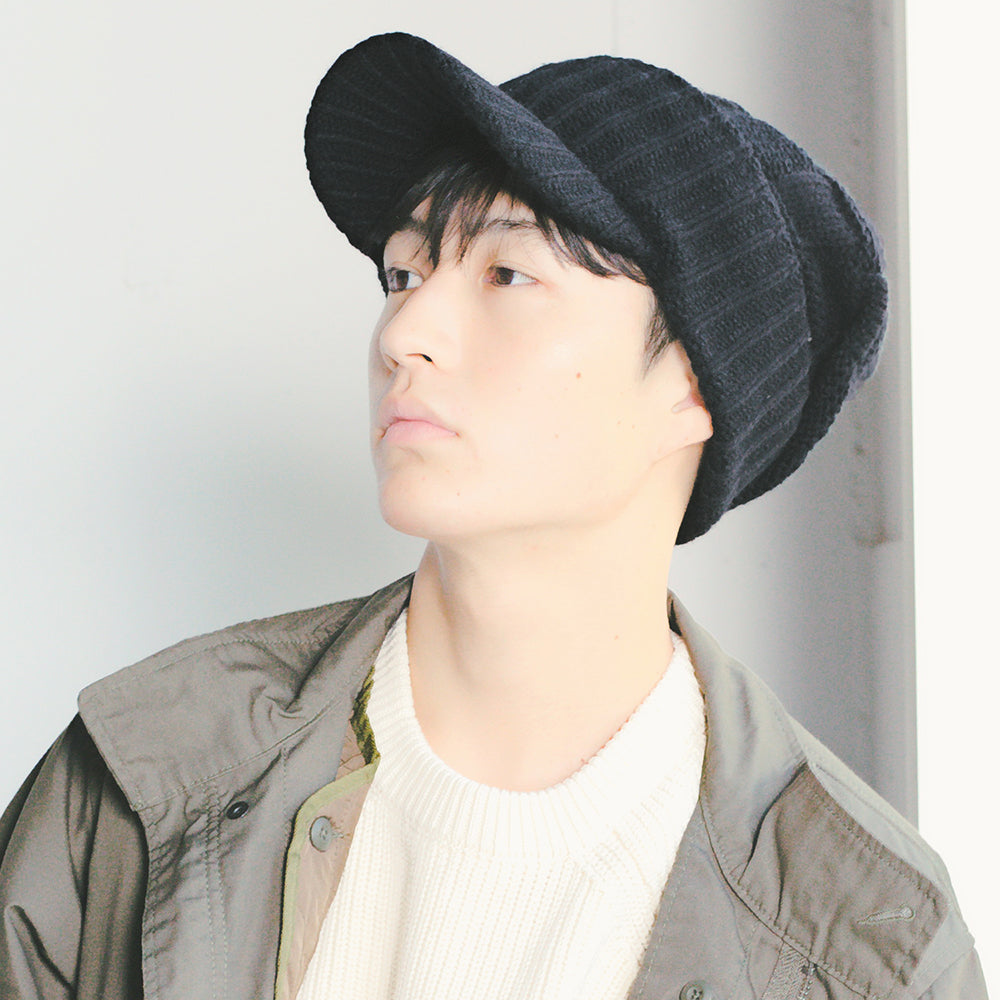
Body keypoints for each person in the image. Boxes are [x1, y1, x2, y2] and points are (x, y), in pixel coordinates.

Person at [0, 31, 986, 1000]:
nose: (405, 330)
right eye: (403, 273)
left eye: (508, 275)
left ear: (695, 383)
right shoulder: (142, 774)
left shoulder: (866, 947)